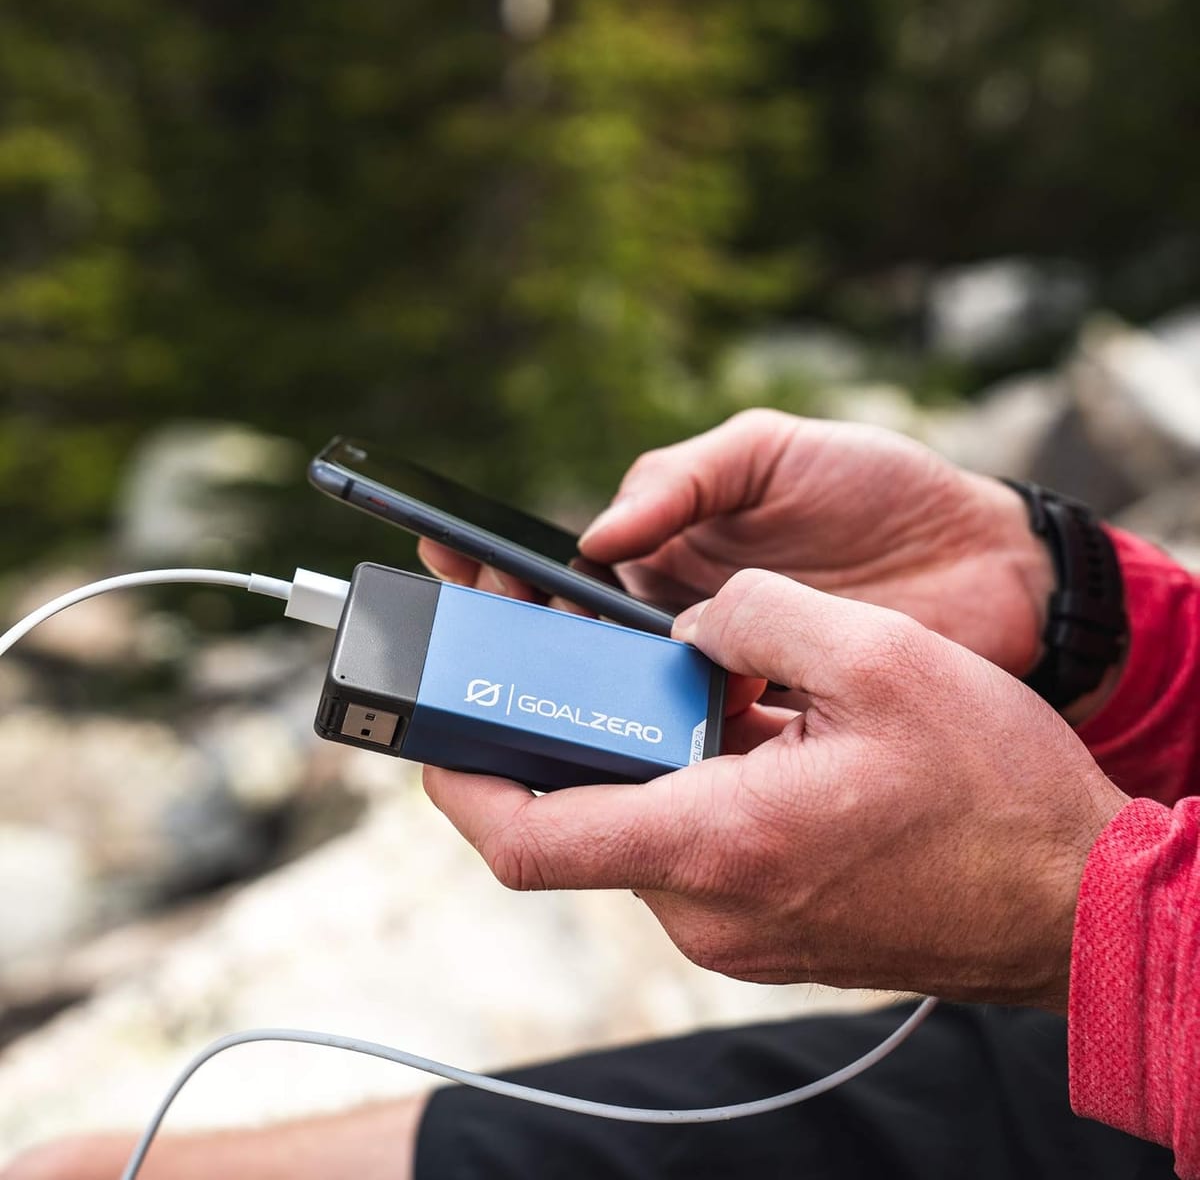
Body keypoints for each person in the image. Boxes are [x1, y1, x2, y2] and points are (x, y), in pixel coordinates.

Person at [4, 410, 1196, 1180]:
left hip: (1144, 1023)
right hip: (1118, 1033)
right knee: (83, 1175)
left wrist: (1081, 923)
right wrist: (1075, 609)